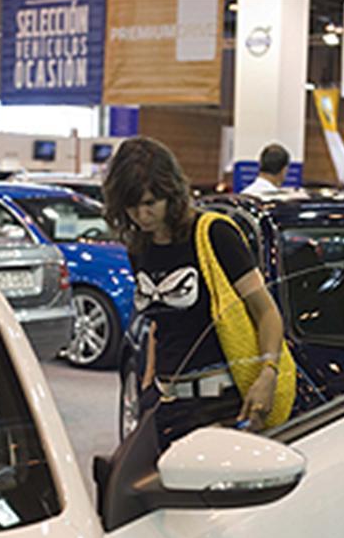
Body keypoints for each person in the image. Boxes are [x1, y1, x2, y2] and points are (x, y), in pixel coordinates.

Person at [103, 137, 287, 447]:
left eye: (150, 203)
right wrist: (150, 385)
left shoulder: (215, 233)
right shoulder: (141, 247)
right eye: (132, 206)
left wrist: (268, 374)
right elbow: (158, 321)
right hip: (167, 404)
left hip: (221, 404)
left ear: (170, 193)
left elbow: (266, 311)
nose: (141, 215)